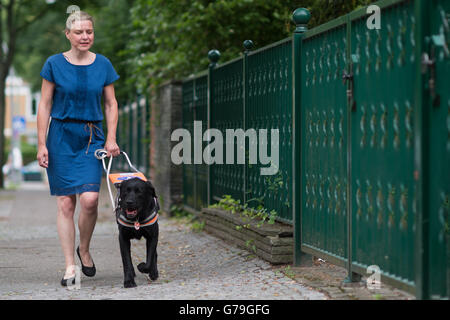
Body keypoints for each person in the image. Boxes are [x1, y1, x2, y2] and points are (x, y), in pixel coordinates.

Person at [36, 11, 120, 286]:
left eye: (89, 32)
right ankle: (70, 266)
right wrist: (41, 143)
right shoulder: (53, 64)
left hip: (90, 137)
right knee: (65, 203)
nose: (85, 37)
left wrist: (111, 138)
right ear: (68, 35)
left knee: (90, 199)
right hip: (60, 136)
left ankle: (83, 248)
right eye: (79, 32)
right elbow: (45, 105)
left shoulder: (103, 64)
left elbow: (110, 104)